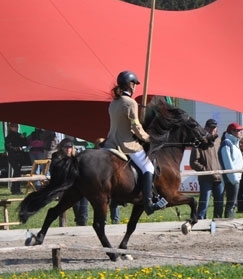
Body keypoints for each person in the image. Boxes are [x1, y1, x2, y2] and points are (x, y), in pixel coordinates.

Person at [102, 70, 165, 215]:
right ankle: (148, 204)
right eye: (135, 84)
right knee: (148, 167)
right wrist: (148, 138)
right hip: (127, 144)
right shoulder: (130, 103)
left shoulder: (113, 103)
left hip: (111, 142)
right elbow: (135, 126)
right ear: (130, 85)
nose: (135, 86)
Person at [190, 119, 223, 219]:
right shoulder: (199, 142)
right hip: (206, 179)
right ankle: (201, 221)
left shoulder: (218, 141)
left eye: (214, 127)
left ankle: (218, 221)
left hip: (219, 177)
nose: (213, 130)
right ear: (205, 128)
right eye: (211, 127)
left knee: (219, 203)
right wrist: (205, 170)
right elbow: (193, 162)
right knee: (204, 203)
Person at [51, 138, 89, 226]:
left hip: (79, 184)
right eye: (66, 147)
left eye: (70, 147)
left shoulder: (76, 157)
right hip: (65, 185)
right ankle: (80, 220)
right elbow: (55, 171)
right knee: (75, 202)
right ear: (61, 148)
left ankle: (82, 221)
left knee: (84, 202)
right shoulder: (56, 157)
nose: (68, 149)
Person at [219, 122, 243, 218]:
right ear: (232, 131)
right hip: (232, 179)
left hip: (236, 177)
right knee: (231, 204)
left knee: (233, 204)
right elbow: (228, 164)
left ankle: (230, 220)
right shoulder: (227, 144)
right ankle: (228, 222)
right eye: (238, 130)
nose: (240, 132)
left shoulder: (234, 144)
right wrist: (234, 179)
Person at [4, 122, 28, 194]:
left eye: (16, 126)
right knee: (17, 172)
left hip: (19, 157)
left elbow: (25, 143)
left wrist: (24, 138)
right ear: (10, 127)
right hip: (13, 157)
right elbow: (9, 147)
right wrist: (18, 149)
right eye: (14, 126)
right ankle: (15, 189)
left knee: (17, 172)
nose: (16, 127)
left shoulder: (18, 135)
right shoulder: (9, 136)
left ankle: (15, 189)